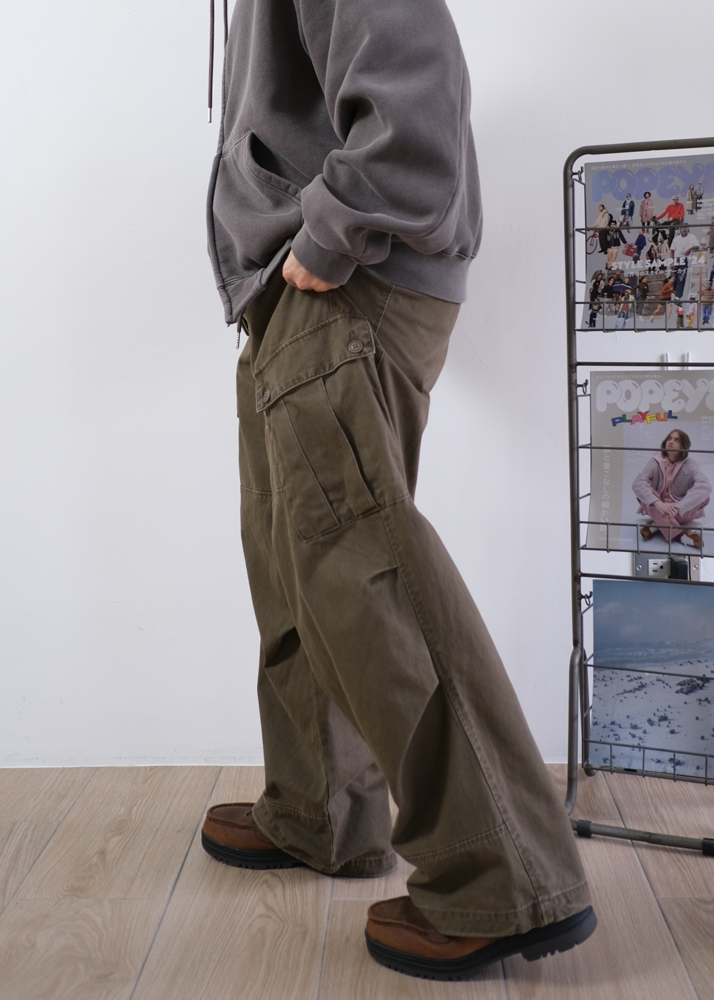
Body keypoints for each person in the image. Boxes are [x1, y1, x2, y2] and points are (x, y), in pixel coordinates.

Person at [201, 0, 595, 981]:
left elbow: (413, 105)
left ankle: (507, 875)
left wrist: (328, 237)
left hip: (349, 275)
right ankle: (322, 809)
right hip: (295, 282)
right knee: (298, 563)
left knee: (364, 573)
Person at [634, 430, 711, 548]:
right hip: (658, 507)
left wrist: (678, 508)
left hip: (679, 512)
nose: (671, 442)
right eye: (669, 438)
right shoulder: (655, 461)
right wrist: (660, 505)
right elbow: (638, 483)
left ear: (683, 445)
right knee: (644, 496)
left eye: (677, 440)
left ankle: (657, 523)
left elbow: (705, 486)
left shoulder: (690, 464)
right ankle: (679, 535)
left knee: (703, 497)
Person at [670, 223, 700, 300]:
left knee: (681, 278)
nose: (684, 229)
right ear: (680, 229)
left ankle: (677, 297)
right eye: (682, 228)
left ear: (688, 228)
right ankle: (674, 293)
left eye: (685, 228)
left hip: (684, 259)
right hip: (676, 259)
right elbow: (672, 250)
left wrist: (689, 249)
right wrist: (672, 262)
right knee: (673, 278)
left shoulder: (692, 237)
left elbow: (697, 246)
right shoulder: (676, 239)